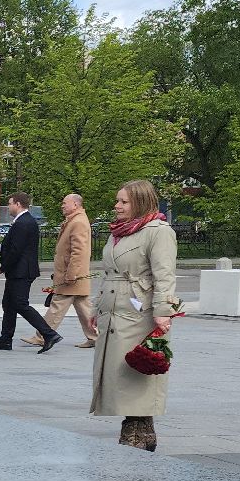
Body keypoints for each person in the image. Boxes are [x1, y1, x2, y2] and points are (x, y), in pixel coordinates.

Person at [91, 179, 179, 450]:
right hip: (114, 309)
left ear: (140, 202)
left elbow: (165, 275)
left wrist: (164, 312)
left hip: (140, 312)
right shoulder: (118, 232)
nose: (117, 206)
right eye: (117, 201)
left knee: (136, 369)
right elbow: (109, 274)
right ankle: (138, 428)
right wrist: (97, 307)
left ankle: (138, 430)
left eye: (124, 202)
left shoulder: (158, 231)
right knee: (119, 371)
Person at [0, 192, 60, 352]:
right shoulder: (24, 221)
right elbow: (15, 247)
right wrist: (0, 248)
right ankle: (5, 339)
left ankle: (49, 334)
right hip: (20, 270)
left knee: (20, 304)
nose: (9, 207)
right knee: (9, 305)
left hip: (21, 271)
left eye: (10, 203)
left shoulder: (23, 223)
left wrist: (2, 268)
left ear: (18, 204)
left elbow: (15, 251)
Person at [27, 192, 98, 349]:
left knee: (57, 305)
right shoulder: (75, 220)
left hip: (72, 275)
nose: (62, 205)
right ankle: (95, 337)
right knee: (83, 307)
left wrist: (71, 274)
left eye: (65, 203)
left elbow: (78, 251)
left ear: (75, 205)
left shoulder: (78, 222)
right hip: (75, 274)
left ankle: (43, 336)